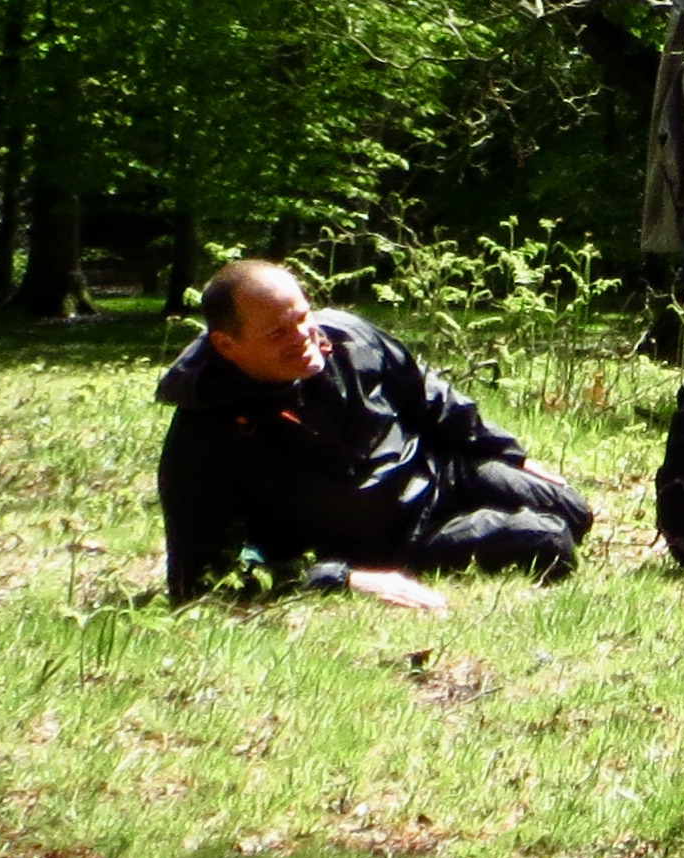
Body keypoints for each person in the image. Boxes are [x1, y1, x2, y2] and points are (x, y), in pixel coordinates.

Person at [154, 258, 593, 609]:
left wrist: (508, 454)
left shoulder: (348, 337)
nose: (304, 337)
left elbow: (430, 395)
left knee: (574, 509)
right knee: (549, 540)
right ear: (227, 345)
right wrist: (342, 577)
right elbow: (199, 579)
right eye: (277, 333)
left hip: (439, 474)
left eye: (303, 318)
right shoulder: (205, 435)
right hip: (389, 540)